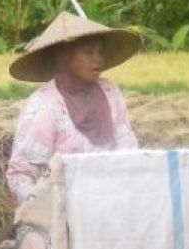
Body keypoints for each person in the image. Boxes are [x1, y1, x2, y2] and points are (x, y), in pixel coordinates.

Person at [7, 12, 142, 205]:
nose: (99, 60)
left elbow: (128, 151)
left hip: (114, 203)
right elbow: (21, 176)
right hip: (62, 210)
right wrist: (51, 207)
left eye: (100, 51)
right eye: (89, 52)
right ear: (64, 56)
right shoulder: (44, 106)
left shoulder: (110, 93)